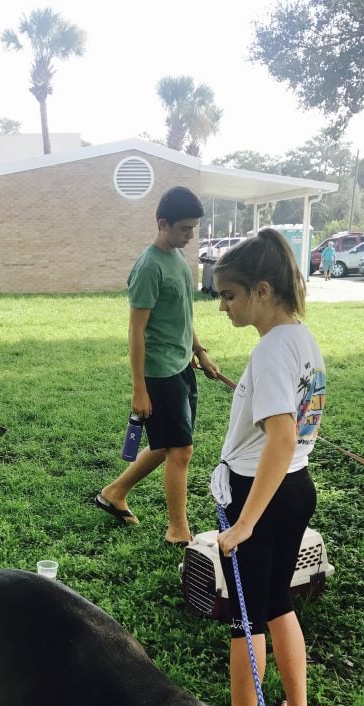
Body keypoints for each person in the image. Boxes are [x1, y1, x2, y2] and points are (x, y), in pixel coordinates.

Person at [210, 228, 325, 706]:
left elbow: (280, 439)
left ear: (261, 290)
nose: (223, 307)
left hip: (262, 491)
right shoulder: (300, 338)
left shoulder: (272, 350)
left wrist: (245, 523)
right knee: (277, 602)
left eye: (228, 295)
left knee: (246, 618)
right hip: (296, 486)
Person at [96, 186, 220, 546]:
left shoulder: (179, 259)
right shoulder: (149, 266)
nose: (191, 235)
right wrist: (139, 388)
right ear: (162, 223)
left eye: (194, 227)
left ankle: (114, 493)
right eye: (184, 228)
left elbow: (183, 313)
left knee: (168, 444)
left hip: (181, 365)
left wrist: (200, 350)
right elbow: (136, 330)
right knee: (181, 450)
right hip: (159, 372)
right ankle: (178, 530)